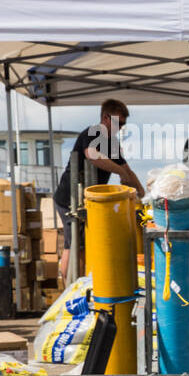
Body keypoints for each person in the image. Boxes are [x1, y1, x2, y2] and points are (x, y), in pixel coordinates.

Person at [56, 98, 143, 280]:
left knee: (76, 244)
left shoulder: (112, 143)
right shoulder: (93, 132)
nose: (120, 127)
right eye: (118, 122)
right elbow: (92, 155)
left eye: (123, 124)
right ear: (105, 118)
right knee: (77, 245)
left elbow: (127, 171)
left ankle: (75, 286)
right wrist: (118, 170)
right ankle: (73, 290)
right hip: (70, 198)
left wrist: (143, 193)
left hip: (84, 200)